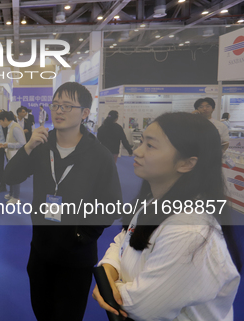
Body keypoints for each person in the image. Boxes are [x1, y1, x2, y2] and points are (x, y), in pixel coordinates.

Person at [93, 112, 241, 321]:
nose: (137, 151)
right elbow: (123, 240)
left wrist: (108, 287)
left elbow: (144, 308)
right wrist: (108, 270)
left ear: (187, 163)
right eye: (142, 141)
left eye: (150, 146)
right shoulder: (154, 201)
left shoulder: (191, 232)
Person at [4, 82, 122, 321]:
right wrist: (27, 147)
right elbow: (10, 177)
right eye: (56, 105)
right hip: (40, 250)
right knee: (42, 311)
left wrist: (82, 235)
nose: (59, 111)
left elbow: (111, 205)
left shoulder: (99, 154)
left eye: (67, 106)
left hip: (76, 257)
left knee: (68, 315)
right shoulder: (41, 145)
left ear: (85, 113)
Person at [0, 110, 26, 204]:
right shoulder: (10, 127)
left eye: (0, 121)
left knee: (15, 176)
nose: (0, 124)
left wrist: (8, 145)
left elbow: (22, 144)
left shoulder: (15, 127)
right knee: (11, 175)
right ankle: (11, 193)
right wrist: (6, 145)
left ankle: (16, 197)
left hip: (16, 156)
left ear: (5, 119)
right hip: (11, 156)